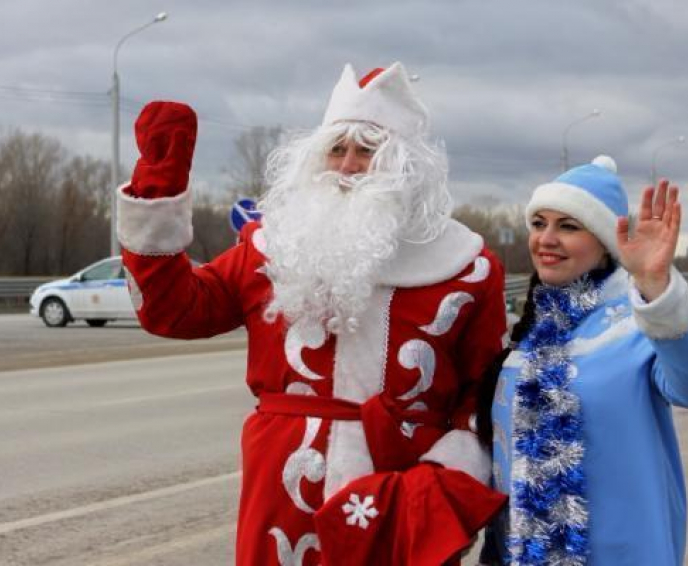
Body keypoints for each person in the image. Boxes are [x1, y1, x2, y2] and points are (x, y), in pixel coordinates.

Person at [116, 62, 507, 565]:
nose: (346, 166)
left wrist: (447, 476)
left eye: (367, 151)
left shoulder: (467, 268)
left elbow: (484, 390)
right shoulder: (272, 249)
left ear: (405, 166)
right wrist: (158, 189)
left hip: (402, 489)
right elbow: (173, 311)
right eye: (336, 150)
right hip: (283, 490)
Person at [477, 156, 688, 565]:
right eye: (539, 223)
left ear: (605, 244)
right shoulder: (520, 342)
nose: (546, 238)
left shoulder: (638, 327)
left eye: (569, 226)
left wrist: (656, 288)